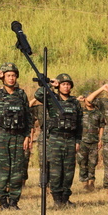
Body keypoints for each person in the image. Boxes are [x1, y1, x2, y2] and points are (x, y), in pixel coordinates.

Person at [34, 73, 83, 208]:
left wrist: (78, 140)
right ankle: (57, 200)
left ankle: (65, 198)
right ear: (59, 86)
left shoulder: (75, 103)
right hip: (55, 139)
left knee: (68, 171)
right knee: (56, 171)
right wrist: (50, 84)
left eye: (68, 84)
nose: (66, 87)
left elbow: (80, 123)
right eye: (63, 84)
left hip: (70, 139)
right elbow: (38, 94)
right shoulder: (52, 99)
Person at [0, 63, 32, 210]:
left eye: (13, 75)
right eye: (8, 75)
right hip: (2, 136)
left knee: (17, 171)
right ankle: (3, 202)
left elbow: (28, 117)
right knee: (3, 172)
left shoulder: (21, 95)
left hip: (18, 137)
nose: (11, 78)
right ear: (3, 78)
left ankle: (14, 202)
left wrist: (27, 136)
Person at [77, 91, 102, 192]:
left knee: (93, 162)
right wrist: (78, 100)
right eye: (86, 98)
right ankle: (84, 182)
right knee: (82, 162)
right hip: (82, 140)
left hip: (94, 141)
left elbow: (101, 127)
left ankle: (91, 182)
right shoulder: (80, 112)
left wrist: (100, 140)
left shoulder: (98, 113)